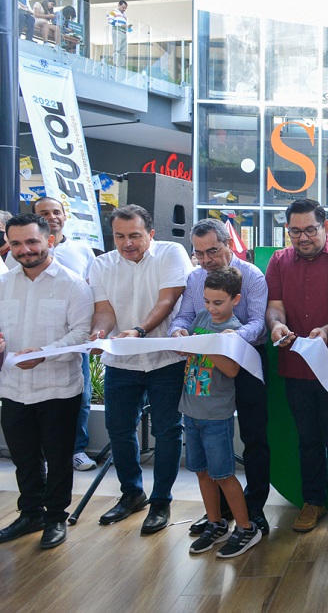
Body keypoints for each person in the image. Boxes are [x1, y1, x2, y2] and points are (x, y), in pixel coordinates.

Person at [88, 204, 192, 534]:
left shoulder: (171, 253)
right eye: (119, 236)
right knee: (119, 429)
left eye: (134, 235)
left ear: (151, 233)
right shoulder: (101, 264)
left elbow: (168, 300)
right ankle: (132, 494)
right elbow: (104, 310)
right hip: (121, 361)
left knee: (168, 430)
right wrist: (99, 333)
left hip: (165, 358)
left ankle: (161, 501)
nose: (127, 243)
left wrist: (138, 330)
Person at [266, 199, 328, 538]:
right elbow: (274, 307)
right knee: (306, 439)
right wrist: (276, 325)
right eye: (295, 232)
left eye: (310, 230)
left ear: (326, 227)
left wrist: (326, 331)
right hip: (296, 365)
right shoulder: (279, 261)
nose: (303, 238)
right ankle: (313, 502)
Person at [171, 218, 271, 535]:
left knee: (254, 437)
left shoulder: (252, 276)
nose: (206, 260)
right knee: (209, 442)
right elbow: (184, 316)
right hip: (205, 365)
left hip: (246, 359)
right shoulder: (195, 278)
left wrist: (232, 337)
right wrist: (178, 331)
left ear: (228, 243)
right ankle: (219, 513)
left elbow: (258, 323)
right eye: (199, 253)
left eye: (212, 251)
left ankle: (254, 510)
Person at [0, 214, 93, 550]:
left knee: (59, 458)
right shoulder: (3, 283)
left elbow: (81, 334)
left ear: (49, 240)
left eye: (32, 241)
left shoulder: (73, 284)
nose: (25, 250)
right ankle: (30, 514)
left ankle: (55, 518)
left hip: (59, 388)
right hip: (13, 387)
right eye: (16, 243)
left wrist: (44, 353)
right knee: (23, 459)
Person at [182, 266, 263, 559]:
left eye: (218, 302)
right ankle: (215, 523)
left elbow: (231, 370)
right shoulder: (201, 319)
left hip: (216, 414)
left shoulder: (233, 330)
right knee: (202, 472)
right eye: (206, 301)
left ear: (235, 300)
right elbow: (188, 352)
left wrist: (207, 345)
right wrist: (184, 342)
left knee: (223, 474)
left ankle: (245, 528)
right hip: (190, 409)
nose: (210, 308)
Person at [26, 197, 97, 472]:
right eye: (44, 213)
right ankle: (41, 454)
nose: (52, 216)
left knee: (81, 395)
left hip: (73, 338)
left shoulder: (82, 250)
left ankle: (77, 449)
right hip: (32, 340)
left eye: (57, 211)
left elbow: (92, 289)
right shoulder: (20, 253)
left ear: (65, 216)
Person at [108, 0, 129, 67]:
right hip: (117, 30)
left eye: (125, 8)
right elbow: (110, 21)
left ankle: (121, 66)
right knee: (117, 49)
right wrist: (120, 25)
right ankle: (116, 65)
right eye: (123, 7)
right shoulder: (114, 12)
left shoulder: (124, 15)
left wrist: (128, 27)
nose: (124, 9)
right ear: (119, 5)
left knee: (123, 51)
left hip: (124, 32)